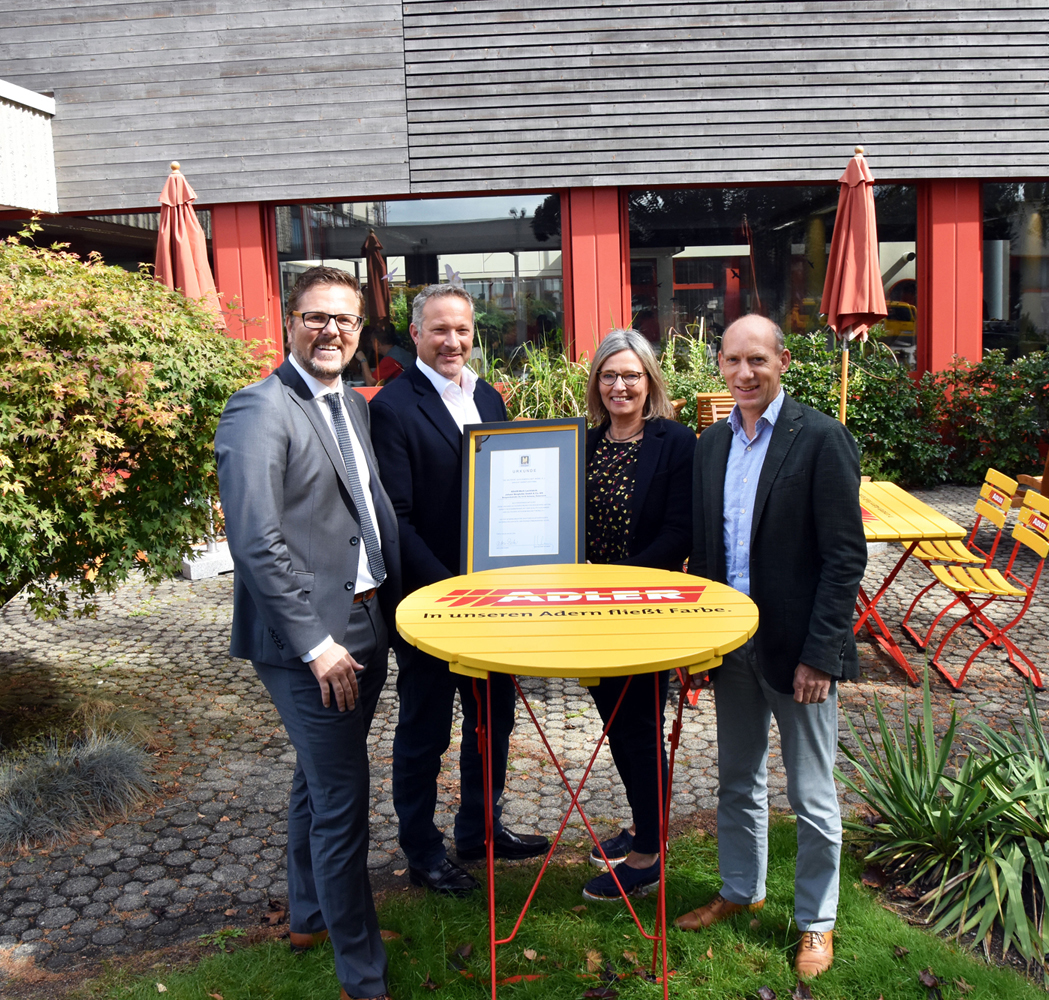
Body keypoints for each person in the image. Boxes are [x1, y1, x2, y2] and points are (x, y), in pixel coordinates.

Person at [214, 266, 399, 1000]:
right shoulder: (258, 409)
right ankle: (364, 974)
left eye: (345, 320)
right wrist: (318, 646)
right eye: (317, 317)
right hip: (312, 644)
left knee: (318, 779)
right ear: (290, 322)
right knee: (342, 800)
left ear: (359, 331)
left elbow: (362, 508)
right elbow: (255, 543)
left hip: (366, 620)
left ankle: (309, 915)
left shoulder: (350, 402)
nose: (332, 331)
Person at [678, 314, 867, 980]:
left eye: (757, 360)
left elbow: (844, 558)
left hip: (797, 652)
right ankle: (741, 890)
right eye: (733, 361)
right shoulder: (710, 444)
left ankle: (817, 921)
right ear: (719, 366)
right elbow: (707, 554)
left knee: (812, 795)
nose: (745, 373)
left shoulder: (821, 438)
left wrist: (821, 653)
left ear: (783, 361)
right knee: (738, 780)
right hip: (732, 648)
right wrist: (701, 642)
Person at [369, 283, 549, 896]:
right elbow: (397, 519)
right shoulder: (393, 408)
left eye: (462, 330)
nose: (452, 341)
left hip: (494, 600)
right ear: (415, 333)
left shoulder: (489, 396)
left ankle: (479, 830)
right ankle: (422, 851)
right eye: (440, 329)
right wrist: (450, 590)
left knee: (493, 719)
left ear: (475, 334)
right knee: (425, 730)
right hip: (431, 602)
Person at [577, 329, 696, 903]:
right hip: (588, 611)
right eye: (609, 375)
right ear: (596, 384)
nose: (619, 385)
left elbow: (679, 532)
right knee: (615, 722)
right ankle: (645, 823)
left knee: (640, 727)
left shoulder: (675, 442)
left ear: (650, 381)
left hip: (643, 607)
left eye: (631, 375)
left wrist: (616, 582)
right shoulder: (582, 443)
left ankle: (648, 855)